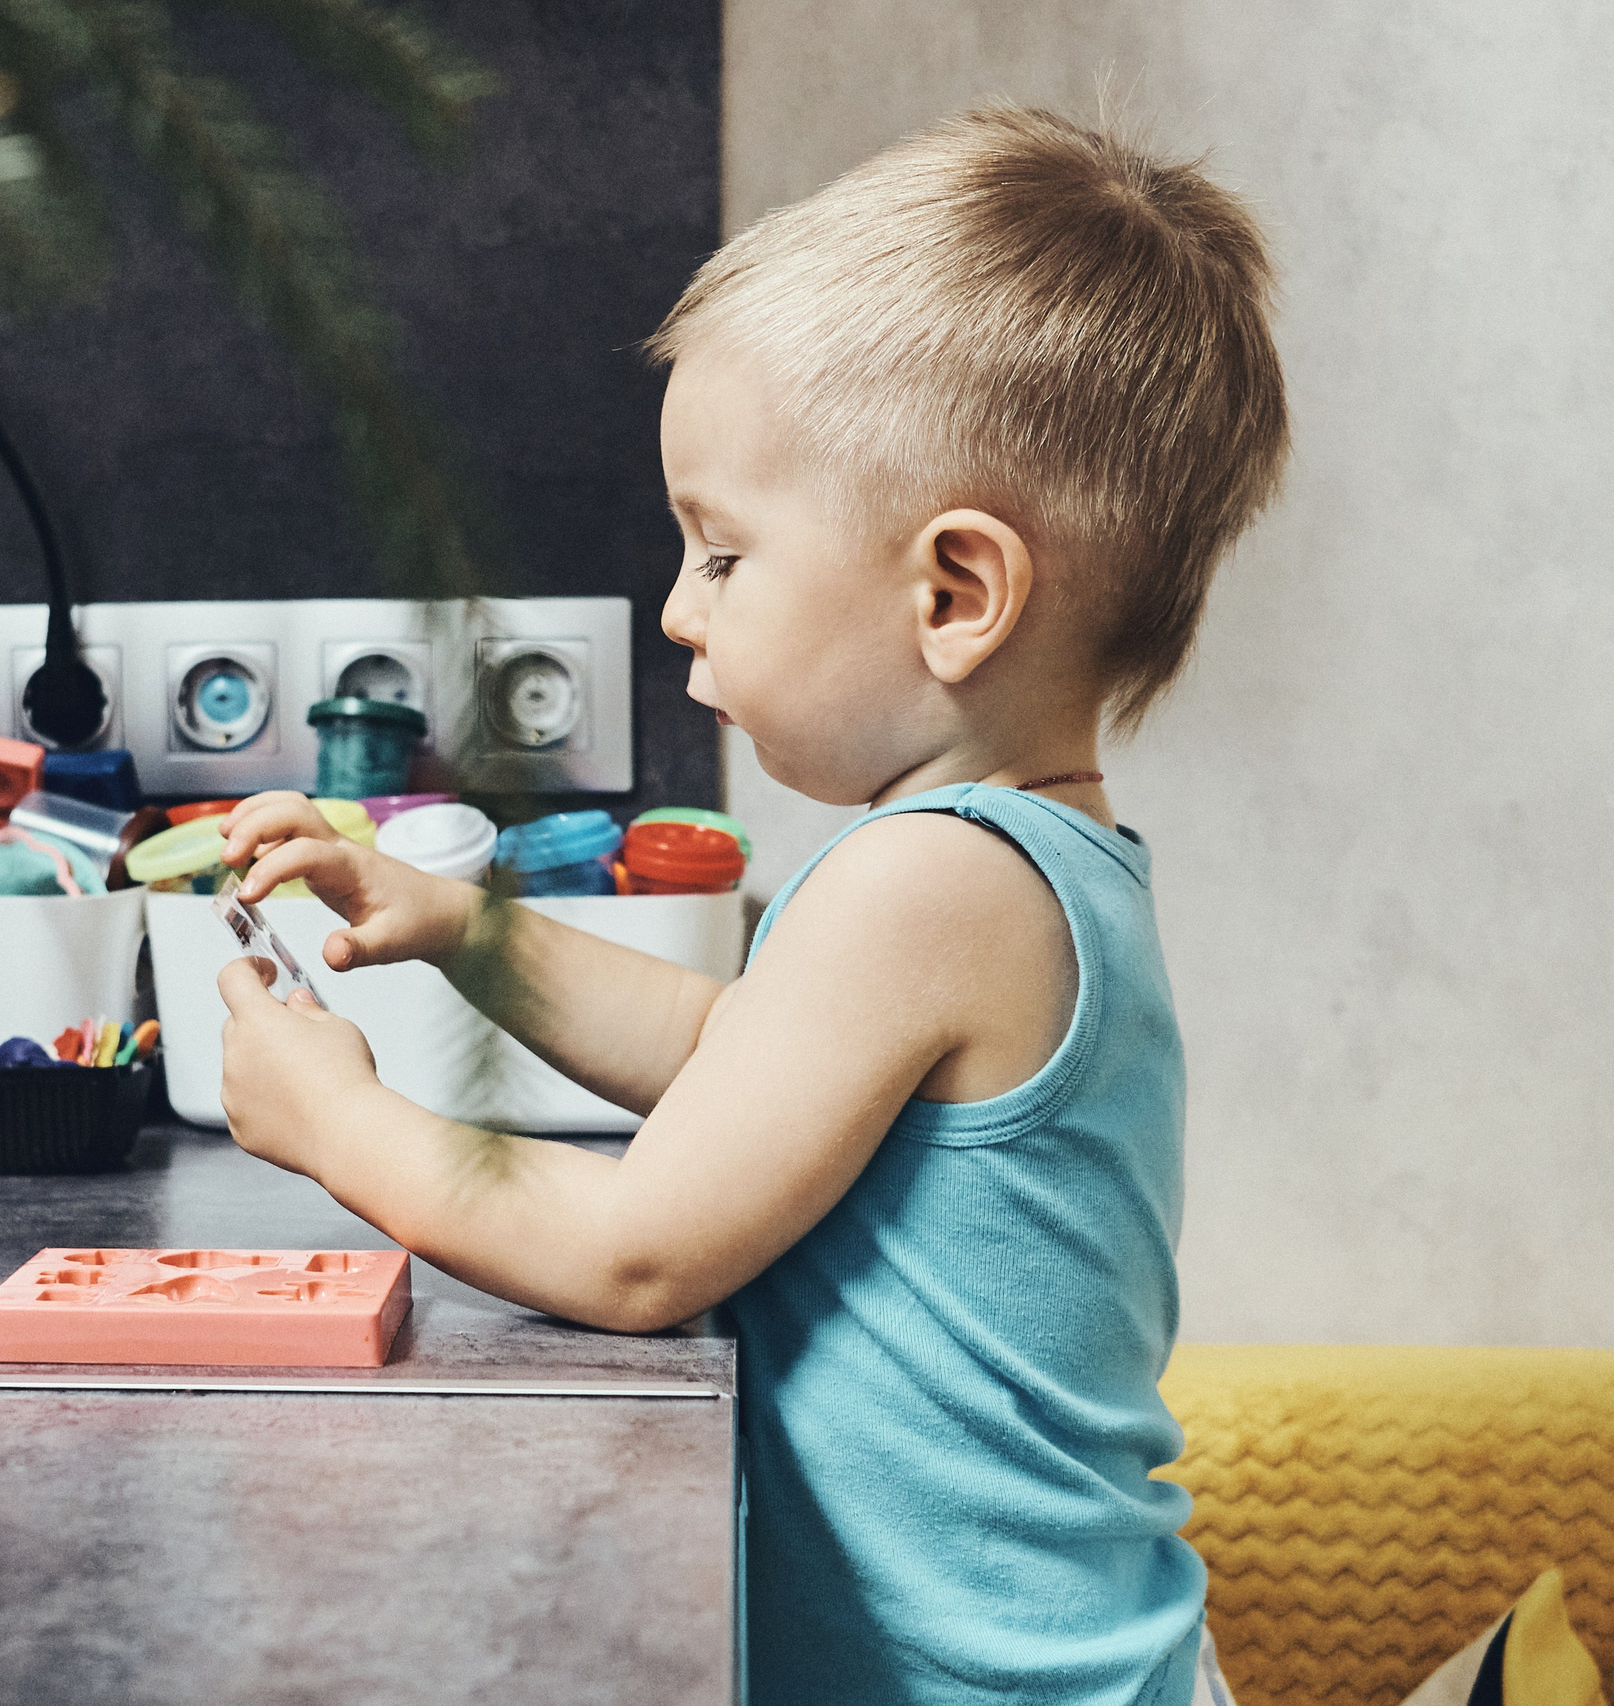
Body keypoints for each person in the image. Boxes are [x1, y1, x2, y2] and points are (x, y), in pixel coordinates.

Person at [212, 106, 1287, 1706]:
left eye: (722, 554)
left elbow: (643, 1252)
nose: (674, 606)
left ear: (955, 595)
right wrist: (457, 922)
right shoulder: (1003, 864)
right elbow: (734, 1052)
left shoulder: (936, 879)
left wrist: (340, 1122)